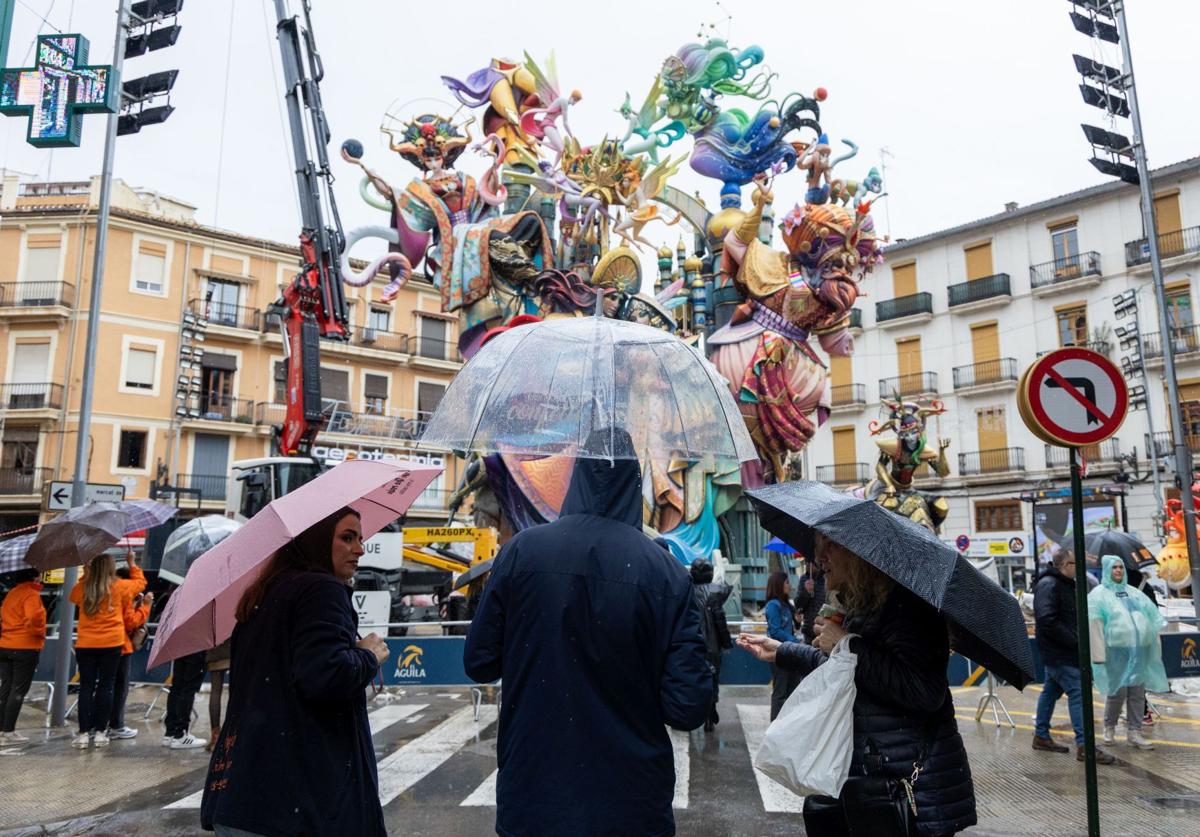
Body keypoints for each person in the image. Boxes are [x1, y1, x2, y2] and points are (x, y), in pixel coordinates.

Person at [464, 427, 711, 837]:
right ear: (635, 482)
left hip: (534, 796)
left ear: (575, 477)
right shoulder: (666, 572)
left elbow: (479, 662)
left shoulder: (521, 553)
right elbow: (687, 706)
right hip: (631, 804)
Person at [741, 532, 977, 837]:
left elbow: (924, 691)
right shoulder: (866, 605)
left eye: (831, 548)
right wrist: (781, 651)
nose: (820, 559)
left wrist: (846, 644)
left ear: (860, 555)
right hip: (876, 782)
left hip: (912, 791)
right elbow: (848, 671)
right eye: (819, 550)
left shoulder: (908, 608)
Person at [201, 506, 390, 837]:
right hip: (298, 802)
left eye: (359, 538)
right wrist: (368, 657)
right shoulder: (321, 590)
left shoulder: (262, 594)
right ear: (316, 540)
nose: (359, 548)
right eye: (347, 537)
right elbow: (325, 676)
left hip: (243, 795)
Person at [1032, 548, 1115, 764]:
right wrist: (1074, 639)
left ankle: (1041, 735)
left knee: (1050, 692)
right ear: (1063, 565)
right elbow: (1046, 619)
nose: (1079, 568)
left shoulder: (1064, 584)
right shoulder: (1050, 585)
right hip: (1060, 651)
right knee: (1079, 693)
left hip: (1061, 650)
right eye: (1075, 564)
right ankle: (1085, 745)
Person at [1089, 555, 1168, 751]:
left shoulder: (1134, 593)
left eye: (1121, 567)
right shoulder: (1098, 595)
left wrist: (1153, 644)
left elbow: (1152, 617)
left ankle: (1135, 731)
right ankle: (1109, 727)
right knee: (1117, 691)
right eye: (1114, 567)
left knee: (1137, 692)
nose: (1118, 571)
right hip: (1116, 651)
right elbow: (1095, 625)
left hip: (1139, 651)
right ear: (1107, 570)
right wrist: (1098, 655)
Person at [68, 553, 142, 749]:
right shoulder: (119, 586)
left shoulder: (83, 587)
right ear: (111, 568)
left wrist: (85, 575)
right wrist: (132, 563)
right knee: (107, 687)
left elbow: (72, 597)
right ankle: (101, 732)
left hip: (86, 644)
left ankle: (84, 733)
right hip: (112, 644)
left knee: (86, 687)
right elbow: (140, 583)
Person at [0, 568, 47, 742]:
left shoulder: (12, 593)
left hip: (5, 645)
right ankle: (9, 730)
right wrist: (40, 633)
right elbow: (33, 619)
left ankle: (2, 729)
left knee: (6, 687)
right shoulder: (31, 595)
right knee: (18, 690)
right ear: (35, 577)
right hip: (25, 646)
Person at [107, 553, 151, 740]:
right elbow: (131, 621)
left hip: (99, 646)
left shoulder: (103, 590)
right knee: (119, 687)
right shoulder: (123, 594)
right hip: (120, 645)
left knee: (103, 686)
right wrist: (146, 606)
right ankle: (116, 725)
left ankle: (98, 726)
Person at [690, 557, 733, 731]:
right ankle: (710, 712)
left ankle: (698, 711)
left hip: (694, 644)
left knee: (695, 678)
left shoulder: (687, 592)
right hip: (713, 646)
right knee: (713, 680)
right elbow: (720, 621)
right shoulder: (715, 595)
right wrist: (727, 643)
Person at [764, 571, 802, 720]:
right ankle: (775, 725)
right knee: (780, 692)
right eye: (787, 582)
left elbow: (792, 626)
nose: (790, 585)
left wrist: (797, 621)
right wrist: (794, 641)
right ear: (779, 584)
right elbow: (775, 630)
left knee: (793, 689)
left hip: (790, 651)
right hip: (779, 652)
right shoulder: (773, 605)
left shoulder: (787, 604)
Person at [203, 640, 231, 753]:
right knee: (234, 691)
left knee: (215, 691)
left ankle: (215, 737)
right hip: (232, 647)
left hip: (215, 647)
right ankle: (232, 736)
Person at [794, 563, 827, 644]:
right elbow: (798, 606)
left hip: (824, 629)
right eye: (806, 561)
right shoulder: (804, 578)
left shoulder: (827, 577)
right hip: (808, 630)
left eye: (810, 562)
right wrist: (806, 592)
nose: (807, 564)